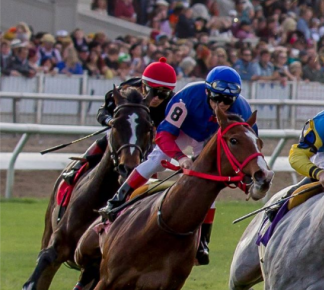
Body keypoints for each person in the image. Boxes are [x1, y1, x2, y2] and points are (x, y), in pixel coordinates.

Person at [101, 66, 253, 266]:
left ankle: (203, 242)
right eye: (217, 98)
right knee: (156, 160)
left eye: (228, 100)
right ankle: (118, 199)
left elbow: (250, 144)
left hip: (206, 139)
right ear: (207, 91)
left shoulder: (242, 109)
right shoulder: (187, 98)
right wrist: (180, 157)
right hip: (181, 130)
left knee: (209, 187)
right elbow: (164, 135)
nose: (222, 104)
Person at [61, 58, 177, 184]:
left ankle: (150, 184)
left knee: (152, 153)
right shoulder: (126, 90)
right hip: (126, 129)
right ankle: (77, 168)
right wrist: (111, 121)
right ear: (143, 85)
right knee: (109, 136)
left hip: (148, 135)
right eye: (151, 91)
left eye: (162, 94)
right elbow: (102, 112)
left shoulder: (173, 103)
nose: (155, 98)